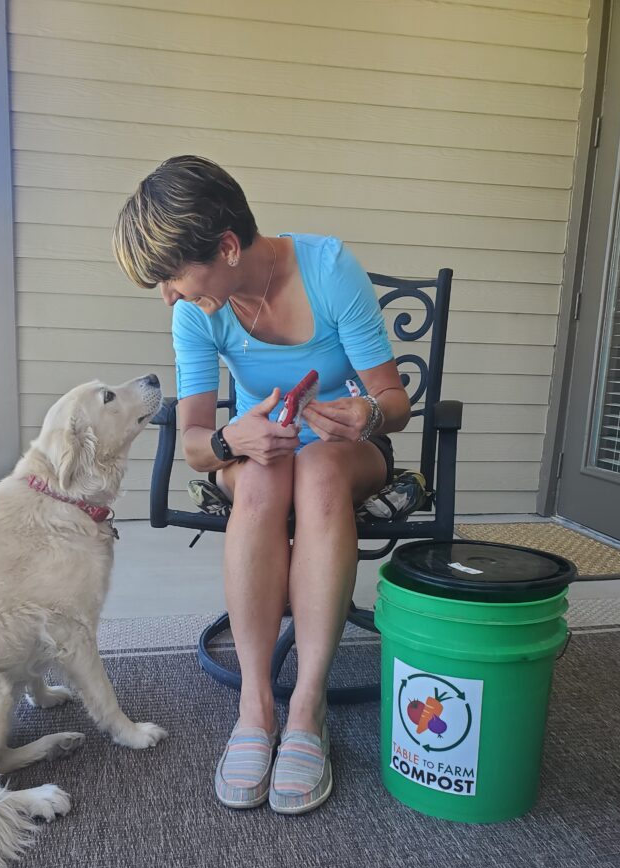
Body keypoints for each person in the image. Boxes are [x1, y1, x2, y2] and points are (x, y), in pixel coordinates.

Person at [113, 155, 410, 815]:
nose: (168, 294)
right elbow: (193, 443)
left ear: (225, 246)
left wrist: (364, 413)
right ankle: (257, 707)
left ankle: (307, 710)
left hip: (347, 449)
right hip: (261, 453)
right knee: (261, 479)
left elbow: (394, 399)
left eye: (171, 276)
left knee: (321, 466)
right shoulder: (198, 311)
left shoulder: (330, 271)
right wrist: (228, 441)